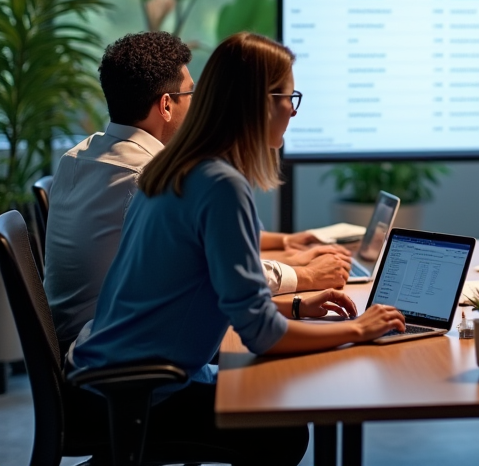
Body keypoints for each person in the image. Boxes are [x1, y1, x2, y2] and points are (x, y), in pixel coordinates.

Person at [68, 32, 405, 466]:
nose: (293, 109)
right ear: (260, 102)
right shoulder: (221, 185)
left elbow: (213, 296)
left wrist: (297, 308)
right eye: (290, 96)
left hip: (100, 376)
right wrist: (361, 330)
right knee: (281, 431)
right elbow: (259, 335)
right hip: (133, 393)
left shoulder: (178, 167)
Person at [45, 31, 351, 351]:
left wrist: (296, 297)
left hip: (101, 347)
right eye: (290, 97)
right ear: (166, 104)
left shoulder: (81, 157)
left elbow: (207, 279)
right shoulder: (164, 176)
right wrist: (354, 325)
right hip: (132, 368)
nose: (294, 110)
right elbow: (249, 314)